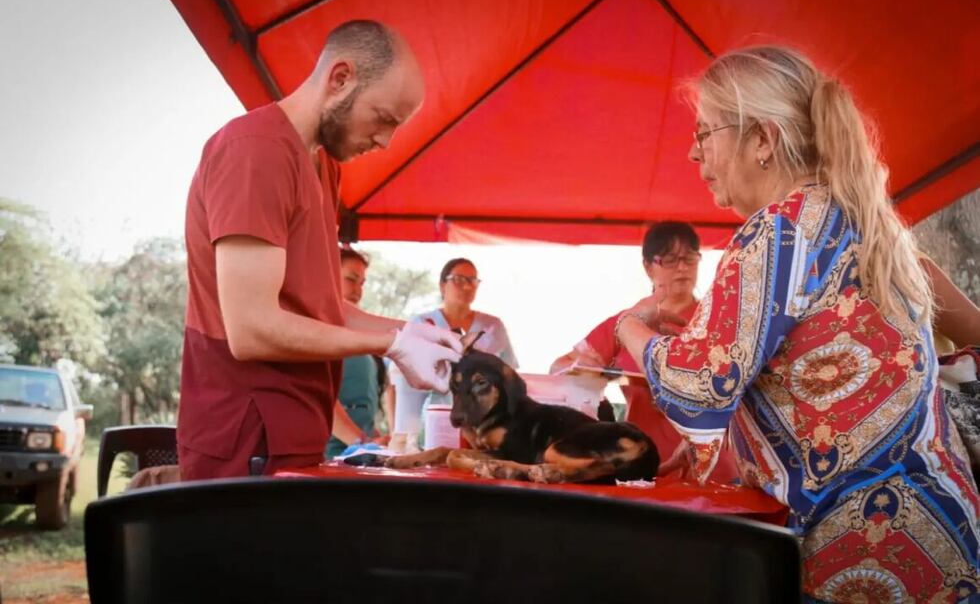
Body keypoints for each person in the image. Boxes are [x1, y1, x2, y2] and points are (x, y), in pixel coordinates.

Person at [615, 46, 979, 602]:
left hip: (863, 549)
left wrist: (630, 327)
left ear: (762, 139)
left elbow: (698, 386)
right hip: (945, 529)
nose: (694, 153)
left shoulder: (780, 231)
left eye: (706, 132)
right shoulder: (870, 226)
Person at [178, 20, 462, 481]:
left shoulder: (323, 165)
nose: (385, 141)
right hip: (248, 438)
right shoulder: (256, 151)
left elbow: (323, 310)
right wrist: (390, 344)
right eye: (384, 118)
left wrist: (415, 333)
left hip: (297, 433)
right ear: (340, 78)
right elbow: (251, 329)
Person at [549, 222, 736, 481]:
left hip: (712, 466)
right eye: (670, 260)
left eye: (690, 258)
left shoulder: (721, 319)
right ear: (648, 266)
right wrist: (586, 369)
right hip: (643, 464)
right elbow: (558, 368)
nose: (682, 267)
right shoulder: (626, 322)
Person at [391, 258, 518, 451]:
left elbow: (510, 376)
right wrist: (399, 432)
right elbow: (398, 382)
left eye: (473, 280)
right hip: (431, 425)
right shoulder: (423, 324)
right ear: (442, 285)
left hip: (482, 427)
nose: (467, 286)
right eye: (458, 279)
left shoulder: (493, 326)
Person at [325, 247, 390, 458]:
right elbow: (324, 400)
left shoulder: (362, 335)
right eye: (351, 279)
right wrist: (364, 442)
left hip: (359, 455)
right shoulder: (319, 332)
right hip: (330, 455)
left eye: (362, 283)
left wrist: (375, 437)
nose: (358, 290)